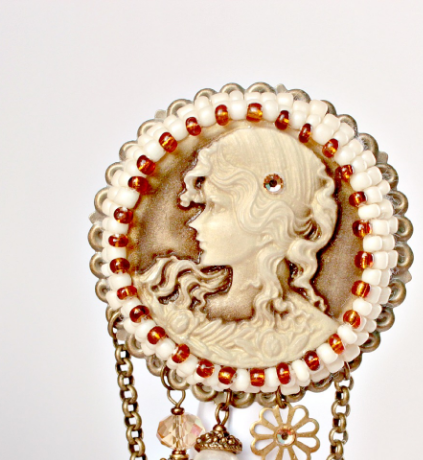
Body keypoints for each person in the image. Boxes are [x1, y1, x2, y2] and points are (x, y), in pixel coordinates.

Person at [136, 127, 338, 368]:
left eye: (216, 207)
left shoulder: (315, 335)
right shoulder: (172, 298)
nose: (195, 223)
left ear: (269, 222)